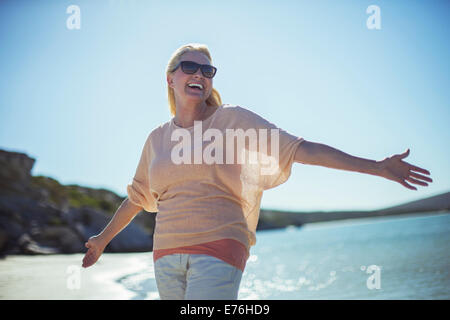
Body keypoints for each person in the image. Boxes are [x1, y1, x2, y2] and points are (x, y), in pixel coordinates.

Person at [81, 43, 433, 300]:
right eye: (190, 67)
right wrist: (101, 240)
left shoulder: (232, 121)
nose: (200, 75)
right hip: (165, 254)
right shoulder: (156, 138)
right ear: (170, 78)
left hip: (220, 244)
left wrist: (375, 167)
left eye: (208, 71)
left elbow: (300, 149)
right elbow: (137, 198)